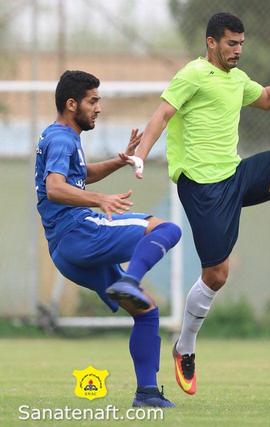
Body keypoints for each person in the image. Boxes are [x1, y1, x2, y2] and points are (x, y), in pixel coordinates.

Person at [129, 12, 270, 395]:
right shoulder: (193, 74)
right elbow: (162, 114)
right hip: (202, 187)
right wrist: (141, 152)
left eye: (241, 44)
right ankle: (185, 347)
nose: (238, 50)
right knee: (217, 275)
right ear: (212, 43)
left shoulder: (237, 80)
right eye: (231, 44)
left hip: (234, 175)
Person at [35, 70, 182, 407]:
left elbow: (78, 175)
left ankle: (146, 393)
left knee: (146, 311)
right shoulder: (61, 138)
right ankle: (130, 279)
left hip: (65, 251)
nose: (98, 107)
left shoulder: (62, 137)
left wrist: (118, 161)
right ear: (72, 104)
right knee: (167, 229)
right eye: (93, 100)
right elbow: (56, 188)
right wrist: (99, 200)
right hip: (80, 232)